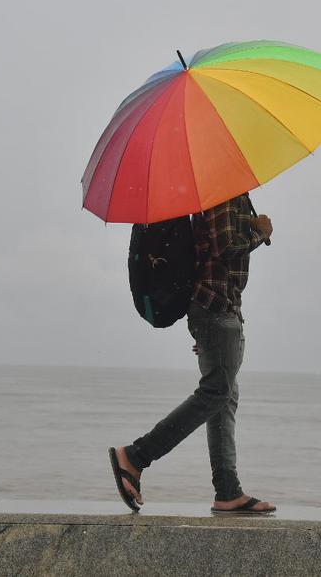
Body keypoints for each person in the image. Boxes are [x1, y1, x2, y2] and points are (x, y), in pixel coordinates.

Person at [109, 193, 277, 515]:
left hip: (218, 309)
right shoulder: (225, 191)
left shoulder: (220, 190)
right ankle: (135, 456)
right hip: (215, 309)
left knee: (223, 398)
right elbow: (225, 247)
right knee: (216, 393)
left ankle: (228, 492)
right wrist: (259, 233)